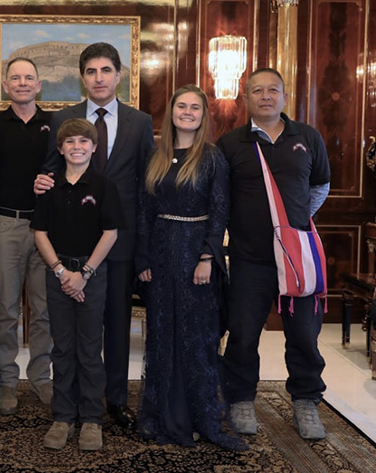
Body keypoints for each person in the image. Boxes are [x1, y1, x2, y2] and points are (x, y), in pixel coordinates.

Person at [35, 42, 154, 429]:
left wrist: (145, 247)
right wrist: (40, 182)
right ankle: (69, 406)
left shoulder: (140, 122)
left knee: (115, 326)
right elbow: (51, 175)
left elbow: (146, 186)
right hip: (68, 245)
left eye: (106, 70)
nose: (99, 78)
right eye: (91, 71)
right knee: (71, 335)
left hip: (116, 243)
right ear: (81, 77)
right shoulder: (63, 120)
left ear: (119, 75)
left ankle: (115, 401)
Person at [217, 68, 330, 440]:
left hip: (298, 258)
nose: (266, 96)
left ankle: (305, 402)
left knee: (303, 335)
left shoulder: (308, 137)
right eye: (257, 91)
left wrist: (291, 225)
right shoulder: (231, 143)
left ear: (285, 96)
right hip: (250, 259)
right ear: (245, 98)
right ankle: (241, 399)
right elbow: (223, 199)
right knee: (244, 334)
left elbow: (319, 187)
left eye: (273, 90)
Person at [136, 85, 246, 451]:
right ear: (171, 113)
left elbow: (220, 212)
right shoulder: (155, 156)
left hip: (195, 255)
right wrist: (144, 260)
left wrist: (206, 258)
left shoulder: (212, 158)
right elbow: (144, 213)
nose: (187, 112)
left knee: (195, 338)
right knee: (163, 335)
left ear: (203, 115)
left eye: (194, 107)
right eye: (181, 106)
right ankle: (164, 414)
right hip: (161, 257)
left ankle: (200, 414)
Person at [31, 118, 125, 451]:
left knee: (89, 348)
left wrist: (83, 274)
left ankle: (91, 419)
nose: (77, 147)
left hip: (91, 275)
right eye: (69, 142)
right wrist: (60, 272)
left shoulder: (103, 186)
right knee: (62, 347)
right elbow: (39, 232)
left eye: (83, 142)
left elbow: (110, 233)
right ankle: (62, 417)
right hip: (57, 274)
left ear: (94, 147)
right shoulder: (48, 185)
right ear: (60, 149)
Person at [0, 57, 53, 414]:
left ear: (39, 84)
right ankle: (7, 382)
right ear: (5, 85)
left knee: (44, 311)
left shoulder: (54, 124)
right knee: (7, 310)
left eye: (29, 77)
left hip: (46, 229)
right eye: (15, 78)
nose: (23, 83)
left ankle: (42, 378)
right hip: (7, 226)